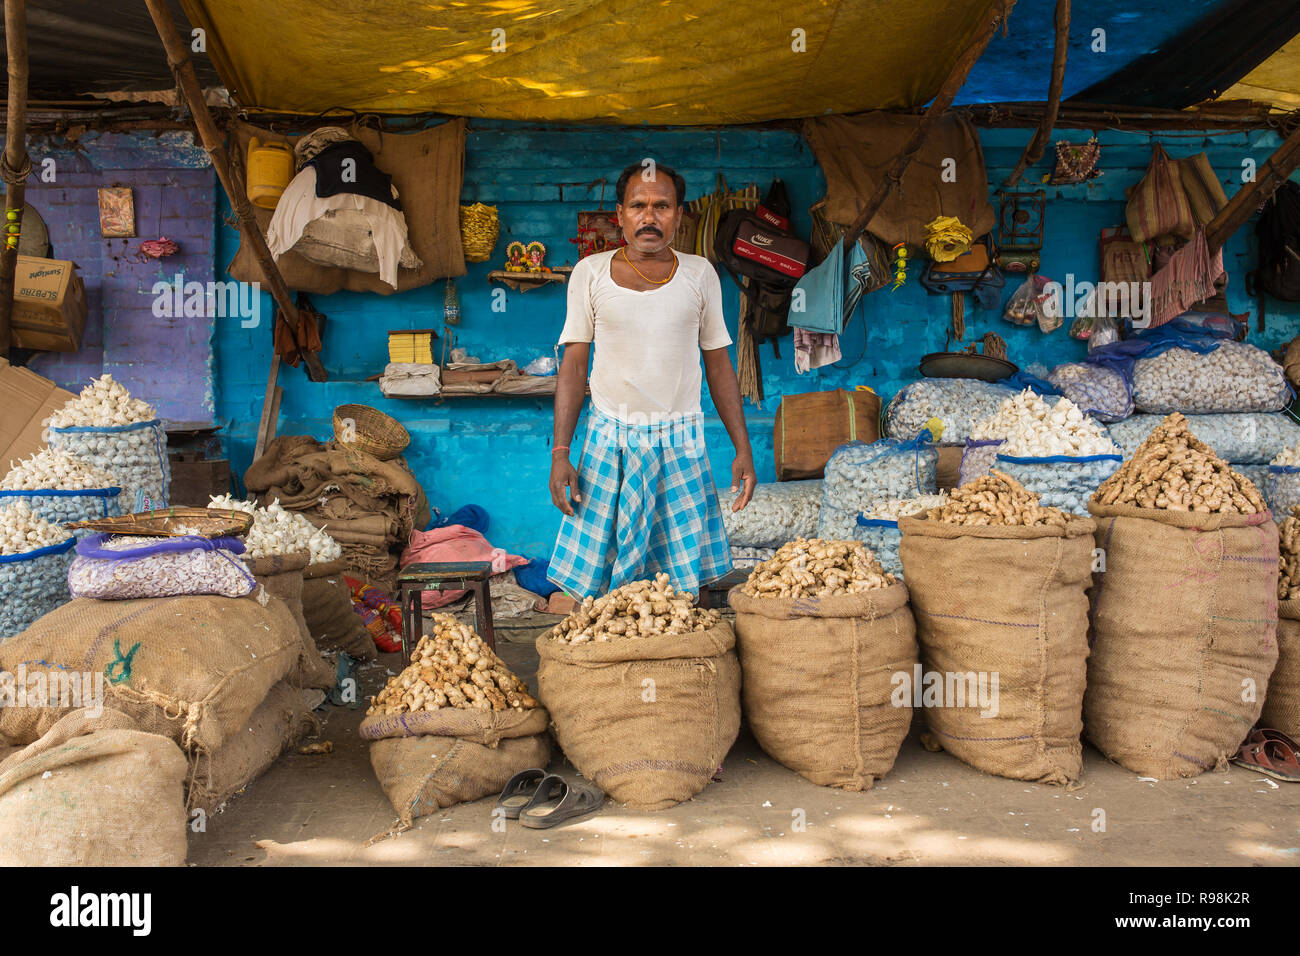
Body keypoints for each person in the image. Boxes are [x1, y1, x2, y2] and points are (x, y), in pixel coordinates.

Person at [547, 161, 757, 599]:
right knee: (604, 588)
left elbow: (719, 364)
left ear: (679, 216)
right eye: (638, 205)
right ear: (620, 215)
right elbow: (573, 365)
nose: (650, 217)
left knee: (676, 588)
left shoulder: (701, 274)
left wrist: (742, 448)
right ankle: (610, 660)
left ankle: (673, 658)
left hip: (680, 441)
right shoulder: (590, 273)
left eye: (662, 206)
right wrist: (561, 453)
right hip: (609, 441)